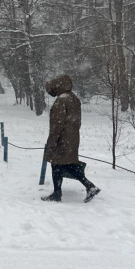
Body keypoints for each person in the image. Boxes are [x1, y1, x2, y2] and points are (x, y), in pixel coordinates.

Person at [41, 74, 101, 203]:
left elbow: (57, 124)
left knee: (58, 165)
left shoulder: (61, 101)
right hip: (72, 138)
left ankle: (87, 186)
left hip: (62, 139)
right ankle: (60, 192)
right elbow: (75, 121)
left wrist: (52, 142)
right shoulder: (74, 98)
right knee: (66, 164)